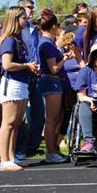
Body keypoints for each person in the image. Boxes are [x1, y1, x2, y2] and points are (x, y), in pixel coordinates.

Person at [0, 6, 40, 171]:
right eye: (23, 18)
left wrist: (29, 67)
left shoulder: (18, 39)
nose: (26, 20)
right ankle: (4, 161)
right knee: (8, 123)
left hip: (21, 84)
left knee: (16, 124)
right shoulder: (9, 40)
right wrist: (26, 65)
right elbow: (7, 65)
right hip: (11, 84)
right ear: (15, 20)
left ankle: (12, 157)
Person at [37, 9, 74, 163]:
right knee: (52, 119)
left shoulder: (47, 43)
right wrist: (65, 58)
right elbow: (54, 68)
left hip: (53, 82)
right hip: (51, 81)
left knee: (56, 118)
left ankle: (54, 150)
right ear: (53, 27)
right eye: (57, 25)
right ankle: (51, 152)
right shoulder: (47, 45)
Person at [16, 0, 42, 158]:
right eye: (29, 7)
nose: (32, 10)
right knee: (18, 117)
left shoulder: (34, 29)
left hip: (36, 76)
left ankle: (31, 148)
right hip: (21, 77)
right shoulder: (14, 30)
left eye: (33, 7)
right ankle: (16, 149)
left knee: (39, 115)